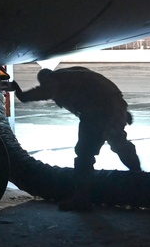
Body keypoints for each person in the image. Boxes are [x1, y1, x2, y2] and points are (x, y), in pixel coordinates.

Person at [10, 66, 141, 211]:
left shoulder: (55, 79)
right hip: (113, 107)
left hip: (96, 112)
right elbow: (103, 88)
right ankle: (140, 178)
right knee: (119, 143)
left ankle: (82, 199)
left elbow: (47, 91)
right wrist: (121, 112)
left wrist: (22, 95)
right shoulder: (74, 73)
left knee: (84, 154)